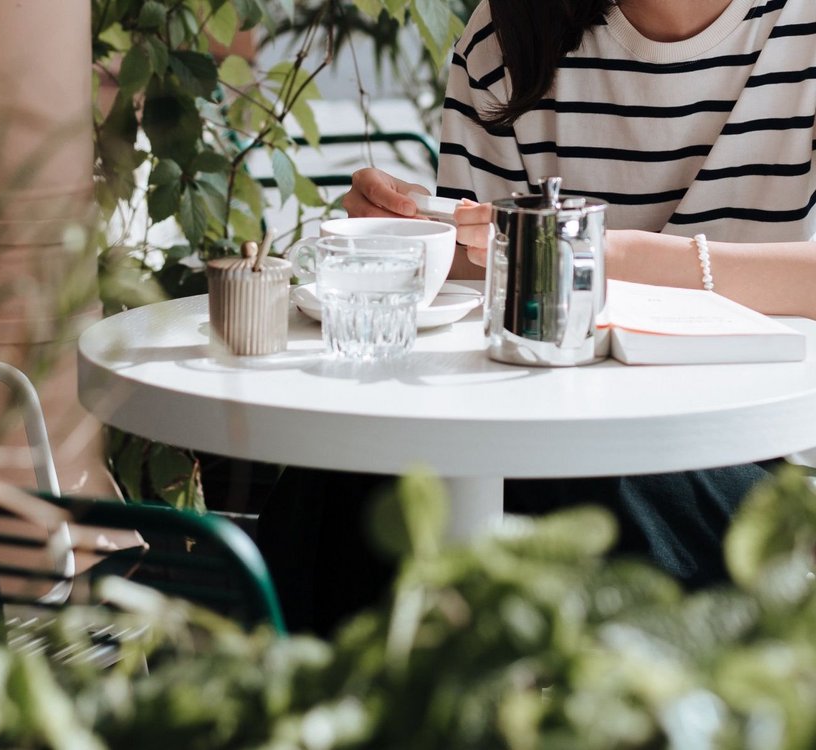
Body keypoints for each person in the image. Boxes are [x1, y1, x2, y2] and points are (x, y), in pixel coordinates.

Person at [259, 0, 816, 635]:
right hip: (543, 434)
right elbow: (487, 273)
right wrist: (417, 230)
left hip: (753, 465)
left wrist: (611, 257)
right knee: (357, 464)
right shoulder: (510, 34)